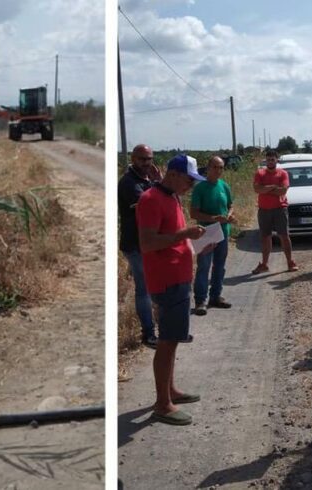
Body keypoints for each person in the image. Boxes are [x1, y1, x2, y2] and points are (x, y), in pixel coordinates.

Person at [137, 153, 207, 426]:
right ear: (174, 174)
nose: (191, 185)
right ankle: (162, 404)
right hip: (165, 281)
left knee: (174, 338)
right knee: (166, 341)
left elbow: (173, 237)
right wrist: (185, 235)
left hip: (177, 279)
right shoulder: (151, 200)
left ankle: (171, 391)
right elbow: (148, 243)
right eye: (189, 180)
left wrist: (195, 243)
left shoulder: (171, 197)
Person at [118, 144, 161, 349]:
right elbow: (147, 204)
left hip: (149, 242)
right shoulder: (128, 182)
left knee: (153, 286)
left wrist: (157, 182)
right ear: (133, 159)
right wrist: (158, 185)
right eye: (142, 159)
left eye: (149, 159)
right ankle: (148, 332)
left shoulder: (147, 180)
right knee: (144, 288)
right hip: (135, 244)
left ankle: (159, 325)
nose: (146, 163)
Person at [190, 156, 235, 315]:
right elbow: (193, 212)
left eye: (221, 167)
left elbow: (230, 205)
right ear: (208, 168)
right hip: (205, 233)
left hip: (223, 232)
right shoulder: (200, 187)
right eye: (215, 167)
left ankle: (215, 296)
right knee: (204, 266)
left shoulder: (224, 185)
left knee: (220, 266)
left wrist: (229, 215)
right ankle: (200, 301)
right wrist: (213, 219)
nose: (218, 171)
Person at [252, 149, 298, 274]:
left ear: (277, 160)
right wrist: (273, 188)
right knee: (265, 237)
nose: (270, 162)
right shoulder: (260, 173)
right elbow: (257, 189)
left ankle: (290, 262)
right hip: (264, 210)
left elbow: (283, 191)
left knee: (284, 236)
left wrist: (265, 189)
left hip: (280, 209)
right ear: (265, 160)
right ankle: (264, 264)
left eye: (273, 159)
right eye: (268, 160)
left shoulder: (283, 173)